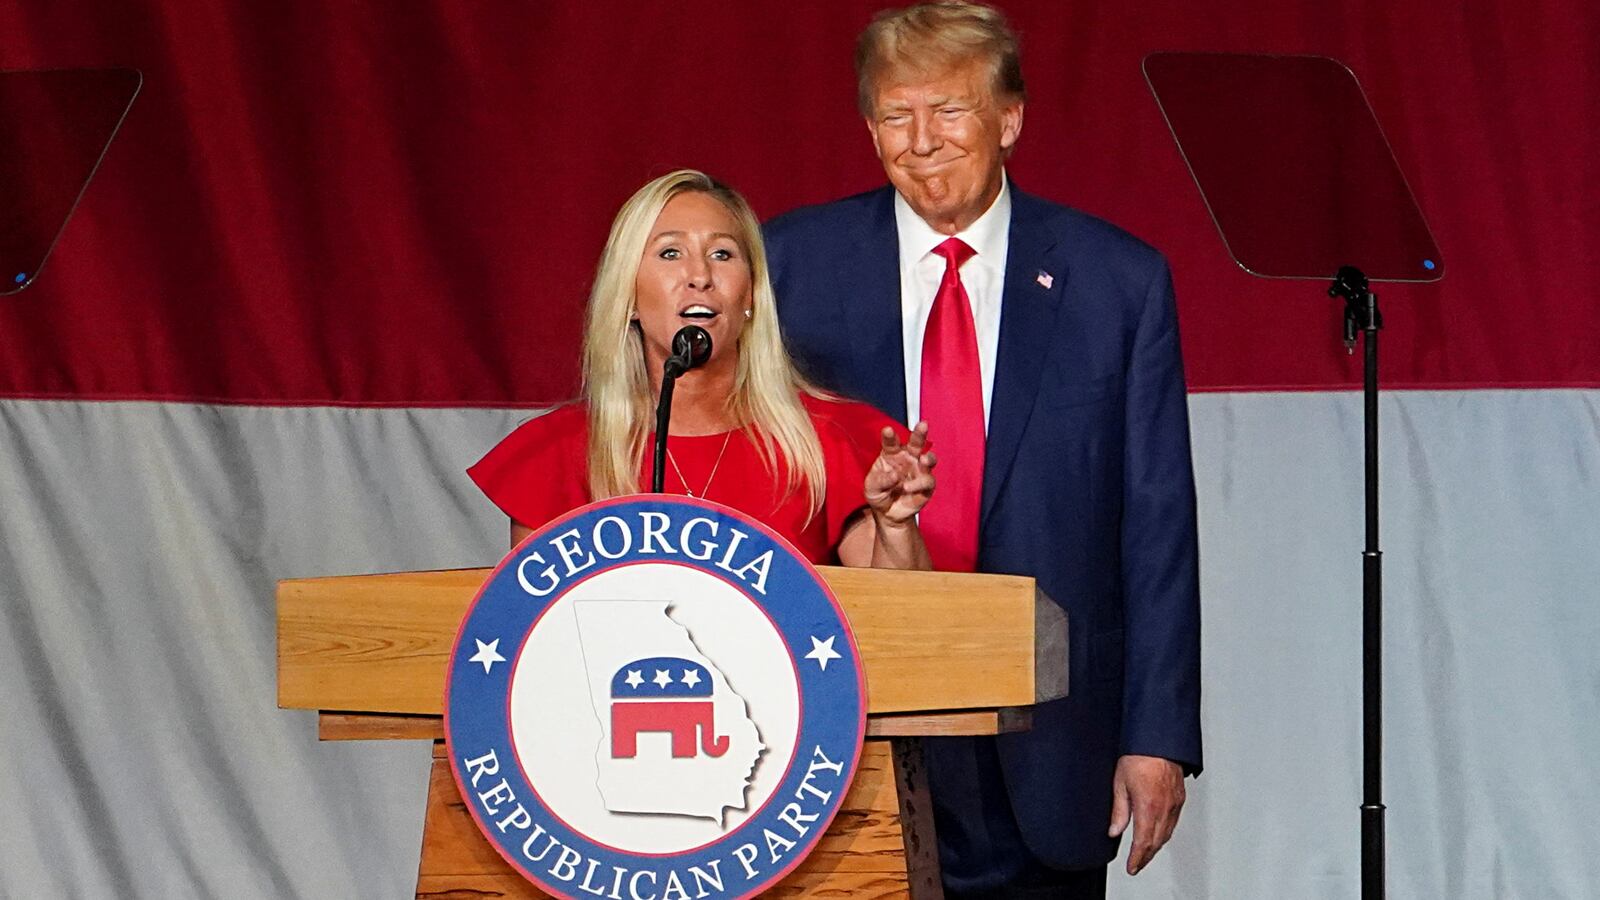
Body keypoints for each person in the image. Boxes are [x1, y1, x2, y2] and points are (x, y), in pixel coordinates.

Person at [763, 3, 1202, 897]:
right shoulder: (792, 265)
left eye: (949, 110)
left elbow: (1157, 525)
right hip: (848, 724)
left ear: (1010, 120)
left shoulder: (1117, 282)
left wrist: (1157, 733)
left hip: (1048, 737)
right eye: (895, 114)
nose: (920, 140)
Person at [469, 169, 937, 574]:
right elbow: (535, 638)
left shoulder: (830, 441)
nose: (699, 276)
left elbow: (899, 621)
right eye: (670, 253)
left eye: (722, 254)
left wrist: (895, 526)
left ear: (751, 295)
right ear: (627, 296)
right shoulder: (557, 456)